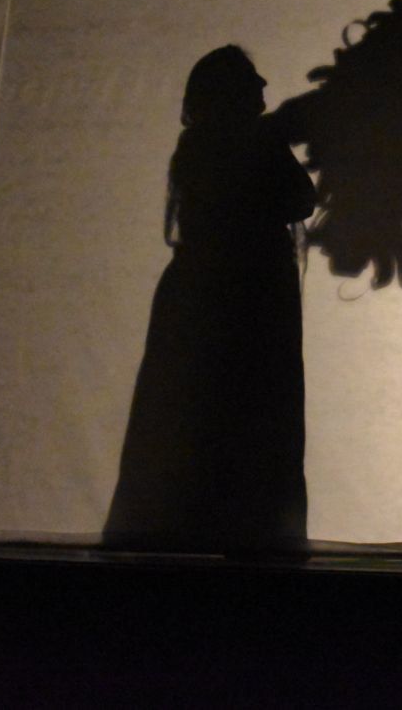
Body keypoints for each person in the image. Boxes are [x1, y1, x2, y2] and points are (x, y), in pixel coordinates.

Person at [105, 45, 316, 552]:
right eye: (250, 80)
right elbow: (300, 199)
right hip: (250, 303)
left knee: (195, 424)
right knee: (251, 423)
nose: (263, 86)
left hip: (210, 300)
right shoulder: (251, 144)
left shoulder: (201, 148)